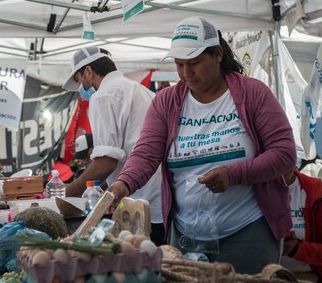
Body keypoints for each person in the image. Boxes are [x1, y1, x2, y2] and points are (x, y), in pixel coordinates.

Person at [107, 17, 296, 274]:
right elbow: (146, 153)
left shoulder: (252, 93)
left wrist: (233, 175)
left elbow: (284, 153)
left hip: (247, 231)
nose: (186, 73)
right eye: (179, 64)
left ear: (217, 54)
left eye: (194, 63)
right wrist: (123, 183)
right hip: (186, 234)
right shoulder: (166, 102)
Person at [61, 46, 164, 245]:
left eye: (79, 80)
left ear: (88, 72)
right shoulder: (140, 90)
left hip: (139, 203)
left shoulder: (103, 96)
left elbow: (106, 163)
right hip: (160, 198)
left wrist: (66, 195)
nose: (81, 89)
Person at [281, 168, 322, 283]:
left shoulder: (314, 190)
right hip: (263, 275)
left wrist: (296, 248)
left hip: (309, 276)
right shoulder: (251, 189)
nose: (284, 163)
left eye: (288, 155)